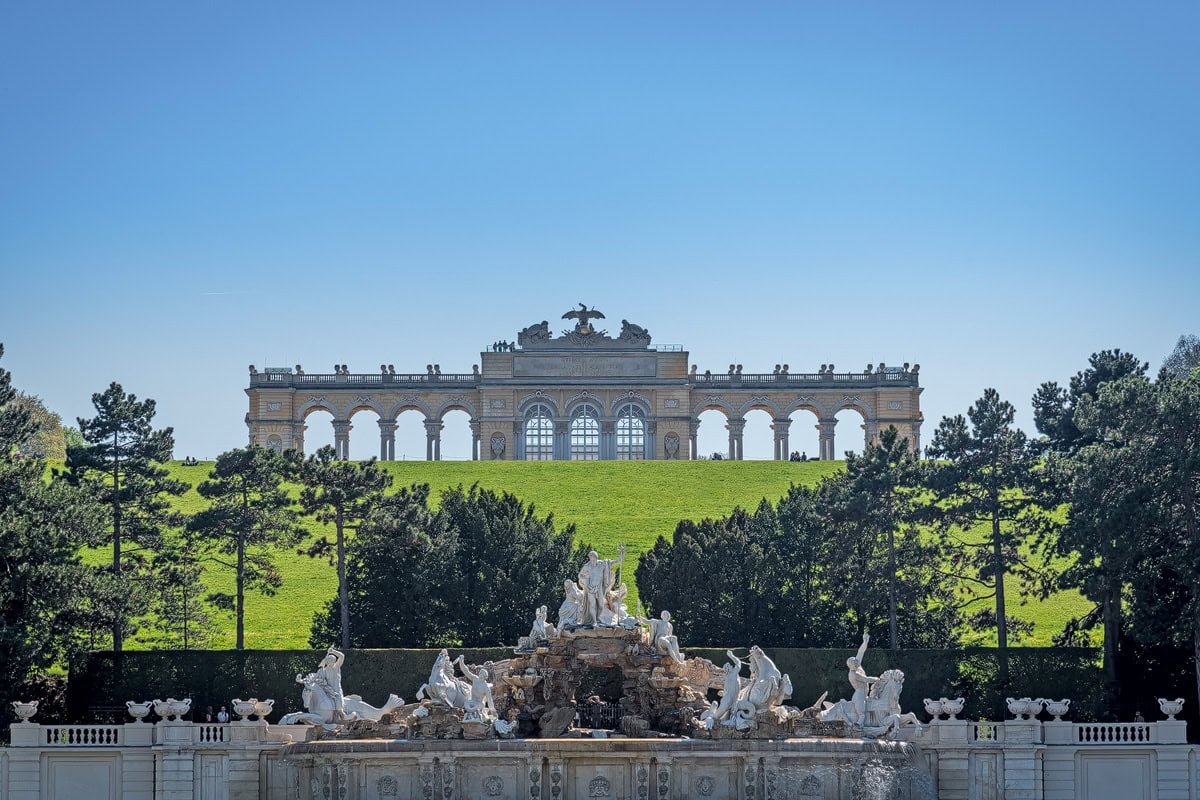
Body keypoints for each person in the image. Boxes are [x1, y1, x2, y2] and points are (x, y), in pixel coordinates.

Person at [577, 545, 625, 626]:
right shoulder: (587, 566)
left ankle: (597, 617)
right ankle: (594, 621)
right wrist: (586, 580)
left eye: (592, 558)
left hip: (599, 588)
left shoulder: (603, 564)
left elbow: (617, 561)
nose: (591, 560)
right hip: (590, 588)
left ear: (595, 557)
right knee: (592, 605)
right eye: (590, 558)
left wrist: (622, 552)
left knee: (601, 605)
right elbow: (580, 575)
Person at [845, 632, 878, 726]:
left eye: (856, 662)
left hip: (864, 692)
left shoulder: (857, 665)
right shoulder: (853, 674)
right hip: (860, 694)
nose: (856, 664)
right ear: (850, 666)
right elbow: (866, 679)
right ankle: (859, 724)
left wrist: (865, 642)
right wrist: (876, 679)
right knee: (861, 714)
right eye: (854, 663)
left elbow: (861, 652)